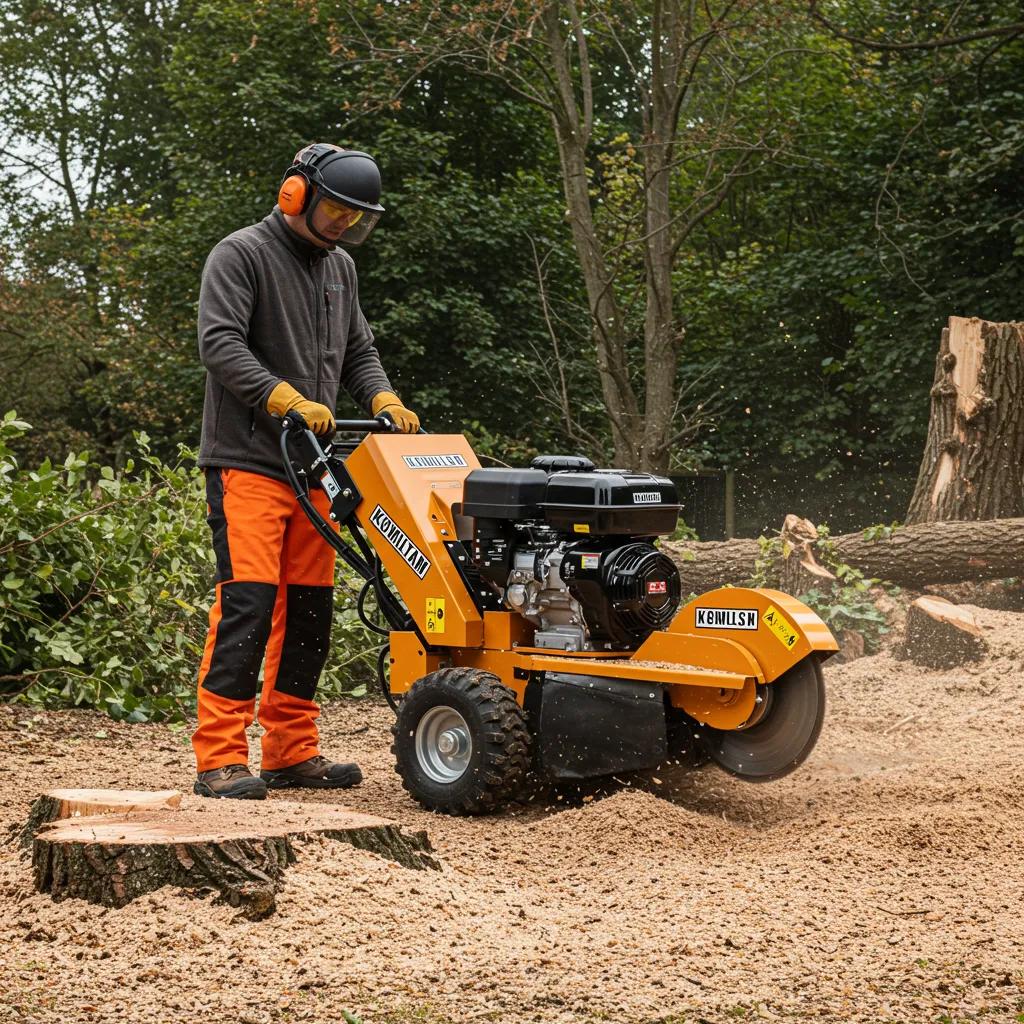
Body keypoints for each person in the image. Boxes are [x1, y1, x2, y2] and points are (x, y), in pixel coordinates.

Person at [191, 143, 419, 800]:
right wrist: (279, 395)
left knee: (311, 612)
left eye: (357, 217)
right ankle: (220, 756)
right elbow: (220, 344)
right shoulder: (241, 255)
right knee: (249, 605)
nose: (346, 225)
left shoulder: (340, 269)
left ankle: (291, 751)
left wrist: (383, 398)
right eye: (337, 210)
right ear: (296, 194)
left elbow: (358, 354)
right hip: (250, 463)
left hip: (315, 470)